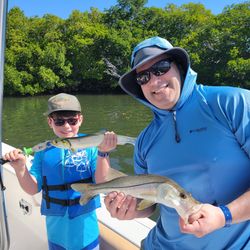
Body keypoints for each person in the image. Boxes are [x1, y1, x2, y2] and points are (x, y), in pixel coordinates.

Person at [103, 36, 250, 249]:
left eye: (161, 67)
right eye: (143, 77)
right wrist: (130, 210)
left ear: (180, 66)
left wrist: (224, 215)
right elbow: (149, 204)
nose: (153, 81)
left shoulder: (232, 103)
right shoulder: (144, 140)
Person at [3, 93, 117, 250]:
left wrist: (103, 153)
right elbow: (32, 188)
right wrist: (20, 168)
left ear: (80, 119)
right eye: (59, 121)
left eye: (72, 120)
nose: (67, 126)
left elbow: (102, 182)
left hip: (87, 234)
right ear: (50, 122)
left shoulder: (92, 146)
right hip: (56, 235)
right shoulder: (42, 151)